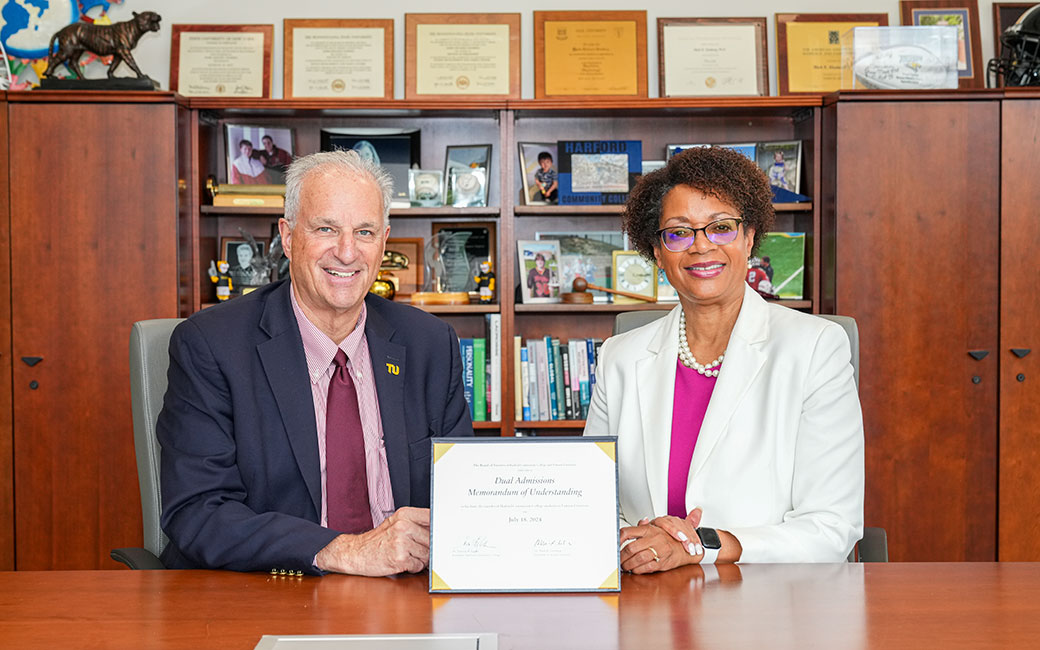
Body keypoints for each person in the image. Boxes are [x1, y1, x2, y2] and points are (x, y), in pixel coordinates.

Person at [158, 149, 474, 576]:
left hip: (403, 594)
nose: (347, 252)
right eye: (326, 228)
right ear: (287, 237)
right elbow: (197, 511)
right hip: (270, 591)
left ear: (384, 240)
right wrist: (342, 551)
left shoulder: (429, 345)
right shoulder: (212, 346)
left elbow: (464, 499)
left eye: (364, 232)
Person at [584, 146, 863, 571]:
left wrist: (702, 545)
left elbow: (830, 527)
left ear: (749, 237)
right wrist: (638, 545)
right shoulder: (620, 358)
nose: (700, 247)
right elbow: (589, 504)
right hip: (648, 604)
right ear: (657, 252)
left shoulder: (815, 348)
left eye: (721, 228)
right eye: (678, 233)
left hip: (771, 608)